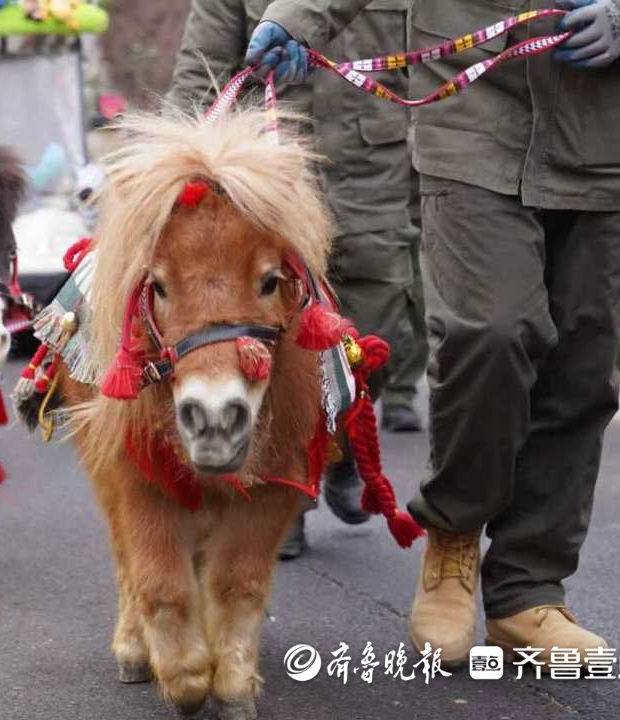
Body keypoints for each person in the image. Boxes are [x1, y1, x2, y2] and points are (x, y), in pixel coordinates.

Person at [245, 0, 620, 664]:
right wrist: (300, 16)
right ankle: (453, 533)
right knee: (491, 330)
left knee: (583, 366)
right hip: (473, 108)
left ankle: (528, 590)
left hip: (614, 129)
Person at [167, 0, 427, 559]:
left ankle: (344, 449)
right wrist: (169, 164)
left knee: (378, 328)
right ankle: (283, 490)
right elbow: (200, 74)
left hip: (371, 173)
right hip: (268, 178)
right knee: (274, 338)